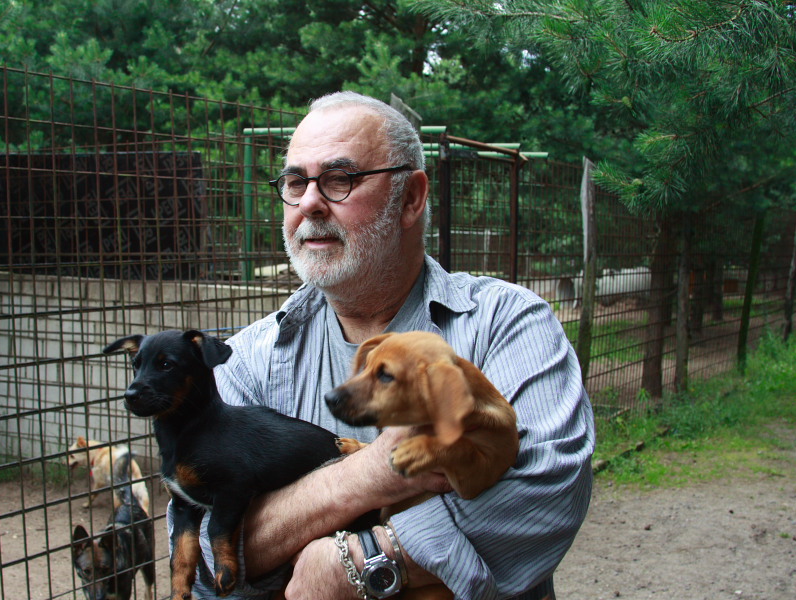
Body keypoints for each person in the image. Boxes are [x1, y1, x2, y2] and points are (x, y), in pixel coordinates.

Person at [179, 91, 595, 600]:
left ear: (411, 199)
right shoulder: (248, 361)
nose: (309, 201)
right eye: (294, 182)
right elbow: (209, 556)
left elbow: (547, 498)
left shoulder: (507, 323)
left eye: (339, 179)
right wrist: (369, 475)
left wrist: (355, 563)